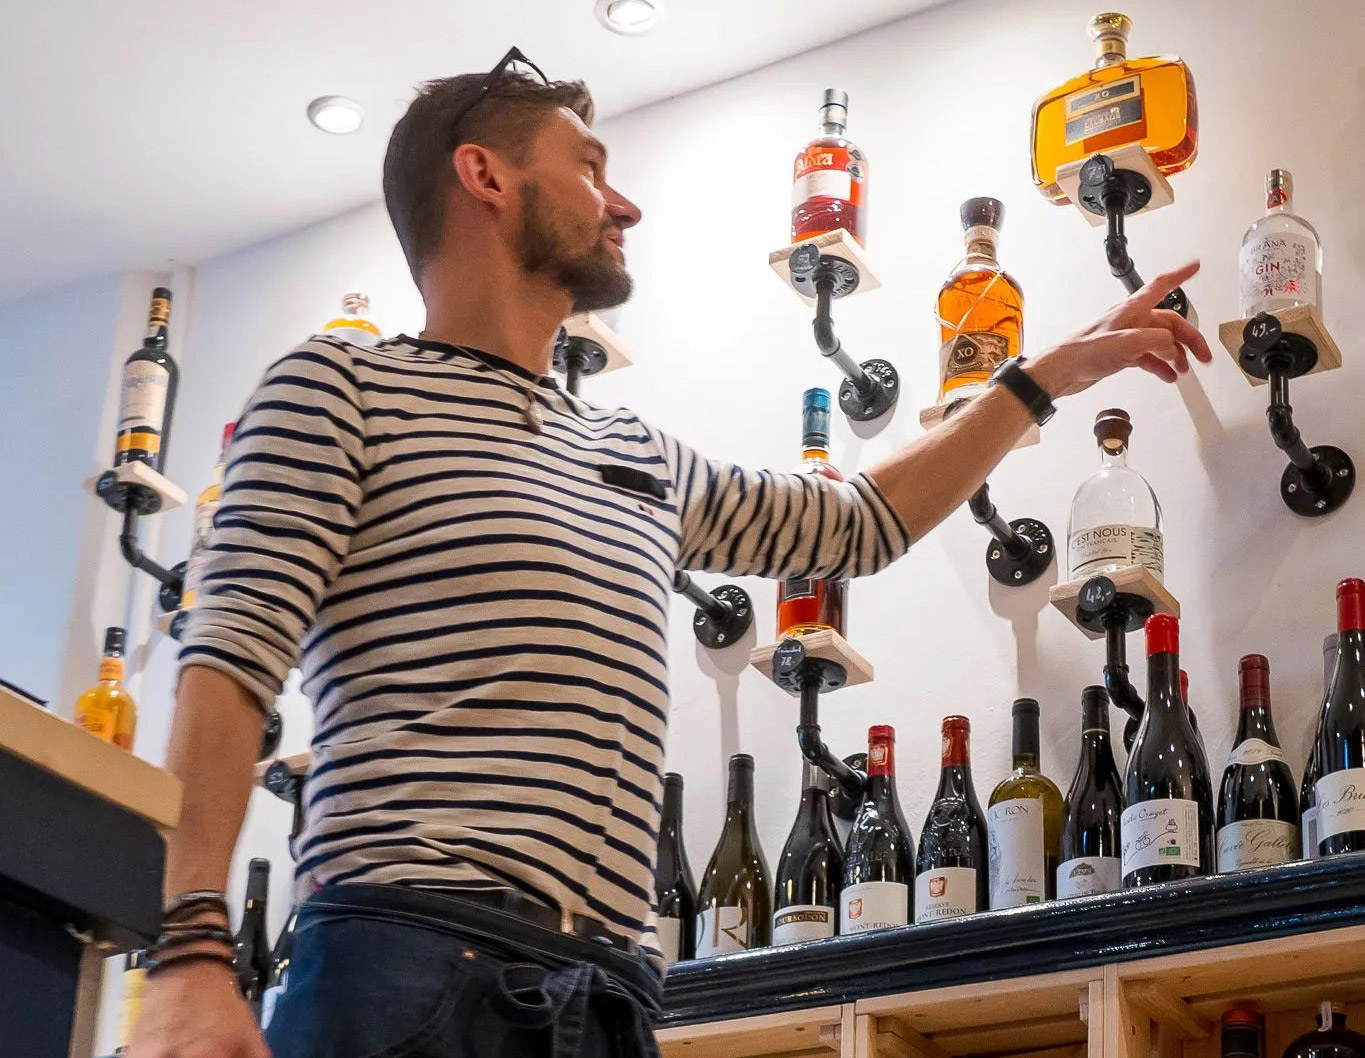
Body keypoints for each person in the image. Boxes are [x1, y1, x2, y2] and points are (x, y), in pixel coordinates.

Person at [127, 50, 1210, 1058]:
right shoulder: (339, 390)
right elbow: (228, 661)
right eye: (589, 168)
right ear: (485, 177)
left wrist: (1043, 378)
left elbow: (860, 523)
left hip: (605, 993)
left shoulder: (630, 449)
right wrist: (188, 949)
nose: (624, 200)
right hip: (410, 962)